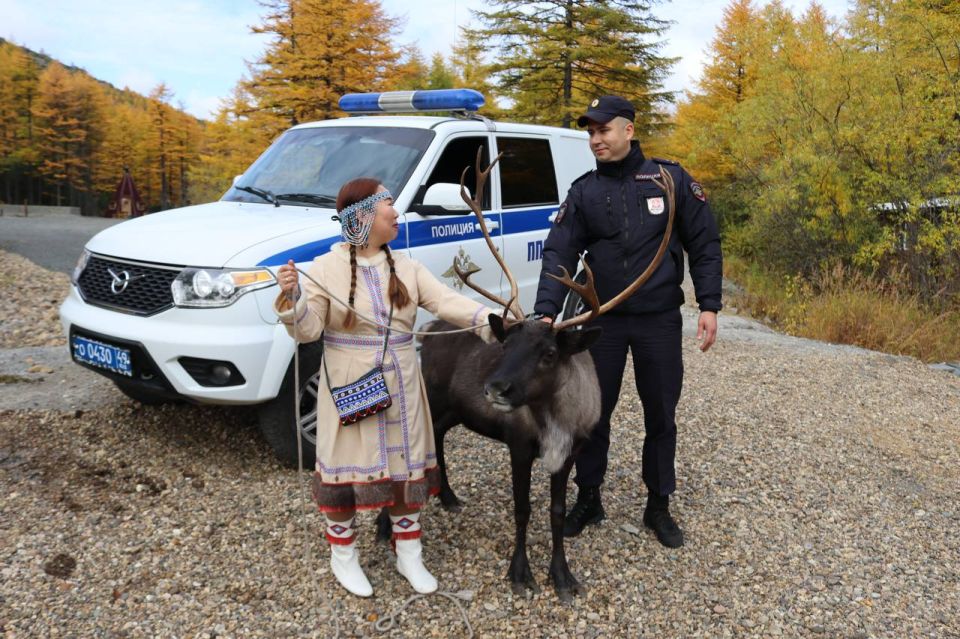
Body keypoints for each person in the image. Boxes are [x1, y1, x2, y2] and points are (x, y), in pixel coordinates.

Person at [274, 177, 493, 597]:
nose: (397, 212)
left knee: (405, 467)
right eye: (388, 204)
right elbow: (308, 331)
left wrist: (493, 322)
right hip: (350, 383)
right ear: (362, 217)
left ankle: (408, 553)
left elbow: (446, 301)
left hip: (402, 382)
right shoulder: (324, 269)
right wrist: (293, 298)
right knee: (344, 470)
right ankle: (343, 557)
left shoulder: (407, 267)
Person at [533, 95, 722, 548]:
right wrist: (546, 310)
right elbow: (559, 252)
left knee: (661, 413)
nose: (595, 140)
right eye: (590, 133)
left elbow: (704, 242)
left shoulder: (669, 180)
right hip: (604, 322)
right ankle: (589, 497)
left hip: (659, 320)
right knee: (593, 413)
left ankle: (658, 504)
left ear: (628, 131)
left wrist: (709, 305)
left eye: (603, 130)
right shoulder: (584, 192)